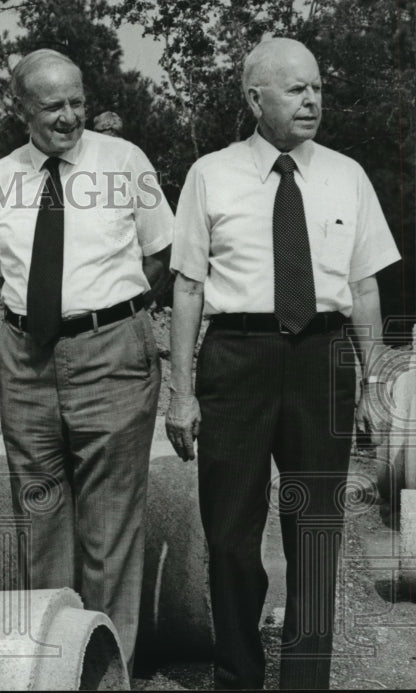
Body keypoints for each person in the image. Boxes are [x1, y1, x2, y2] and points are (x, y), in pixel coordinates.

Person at [166, 37, 401, 690]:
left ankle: (306, 677)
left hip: (321, 360)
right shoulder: (210, 175)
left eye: (318, 88)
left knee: (316, 531)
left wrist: (373, 381)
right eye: (297, 88)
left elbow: (363, 288)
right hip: (236, 360)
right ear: (254, 97)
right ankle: (238, 672)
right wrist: (181, 392)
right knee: (233, 536)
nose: (312, 100)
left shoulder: (346, 175)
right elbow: (187, 287)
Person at [0, 48, 173, 670]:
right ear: (22, 109)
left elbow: (160, 254)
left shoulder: (125, 161)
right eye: (52, 105)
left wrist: (109, 317)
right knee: (41, 518)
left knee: (110, 530)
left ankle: (107, 674)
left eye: (77, 101)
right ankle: (53, 669)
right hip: (26, 358)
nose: (69, 117)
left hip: (111, 352)